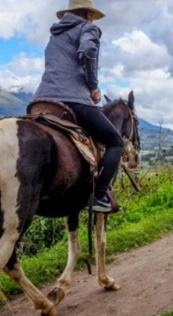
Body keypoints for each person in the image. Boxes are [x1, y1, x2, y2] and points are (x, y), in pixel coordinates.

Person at [34, 0, 124, 213]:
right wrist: (93, 87)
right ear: (88, 14)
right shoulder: (88, 28)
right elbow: (87, 51)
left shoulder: (54, 36)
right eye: (91, 13)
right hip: (72, 99)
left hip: (41, 101)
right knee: (116, 142)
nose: (92, 18)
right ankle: (99, 197)